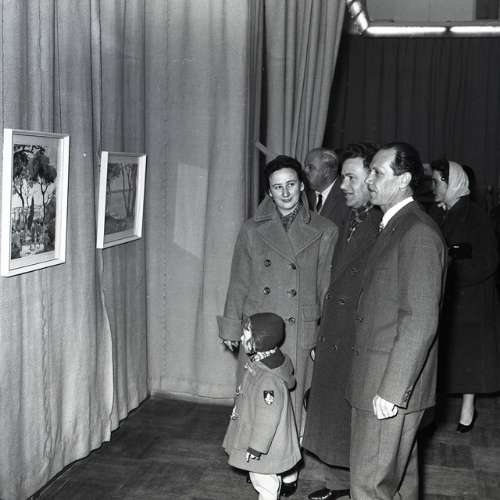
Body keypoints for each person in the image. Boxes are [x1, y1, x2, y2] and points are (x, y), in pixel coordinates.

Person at [218, 154, 338, 496]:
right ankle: (260, 461)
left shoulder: (325, 230)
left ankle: (287, 466)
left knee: (292, 401)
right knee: (256, 399)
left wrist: (323, 335)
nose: (285, 193)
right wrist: (231, 327)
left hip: (298, 329)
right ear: (269, 192)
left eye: (290, 185)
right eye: (277, 187)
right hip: (258, 330)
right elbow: (239, 281)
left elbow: (326, 287)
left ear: (302, 186)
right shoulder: (251, 230)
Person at [348, 142, 446, 499]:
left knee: (369, 486)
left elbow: (419, 320)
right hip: (382, 379)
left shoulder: (417, 233)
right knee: (397, 485)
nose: (368, 179)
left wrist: (392, 391)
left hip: (388, 384)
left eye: (377, 172)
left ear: (404, 180)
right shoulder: (395, 226)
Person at [303, 143, 381, 500]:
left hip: (357, 332)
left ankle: (354, 484)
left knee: (351, 415)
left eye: (352, 178)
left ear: (373, 179)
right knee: (334, 411)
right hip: (335, 327)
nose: (344, 185)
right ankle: (337, 482)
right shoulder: (351, 217)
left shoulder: (382, 224)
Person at [430, 159, 500, 431]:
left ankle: (468, 409)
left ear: (452, 183)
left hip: (470, 298)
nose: (433, 187)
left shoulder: (476, 216)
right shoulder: (436, 213)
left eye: (437, 181)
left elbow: (488, 260)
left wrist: (452, 270)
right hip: (445, 295)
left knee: (469, 356)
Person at [223, 312, 301, 500]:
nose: (242, 338)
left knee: (263, 481)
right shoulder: (262, 362)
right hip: (264, 439)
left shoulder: (268, 379)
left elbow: (267, 419)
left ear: (261, 340)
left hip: (265, 444)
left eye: (246, 335)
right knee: (266, 478)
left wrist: (256, 447)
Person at [303, 148, 350, 232]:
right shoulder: (304, 195)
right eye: (305, 166)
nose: (305, 170)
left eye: (310, 167)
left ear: (326, 172)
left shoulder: (347, 197)